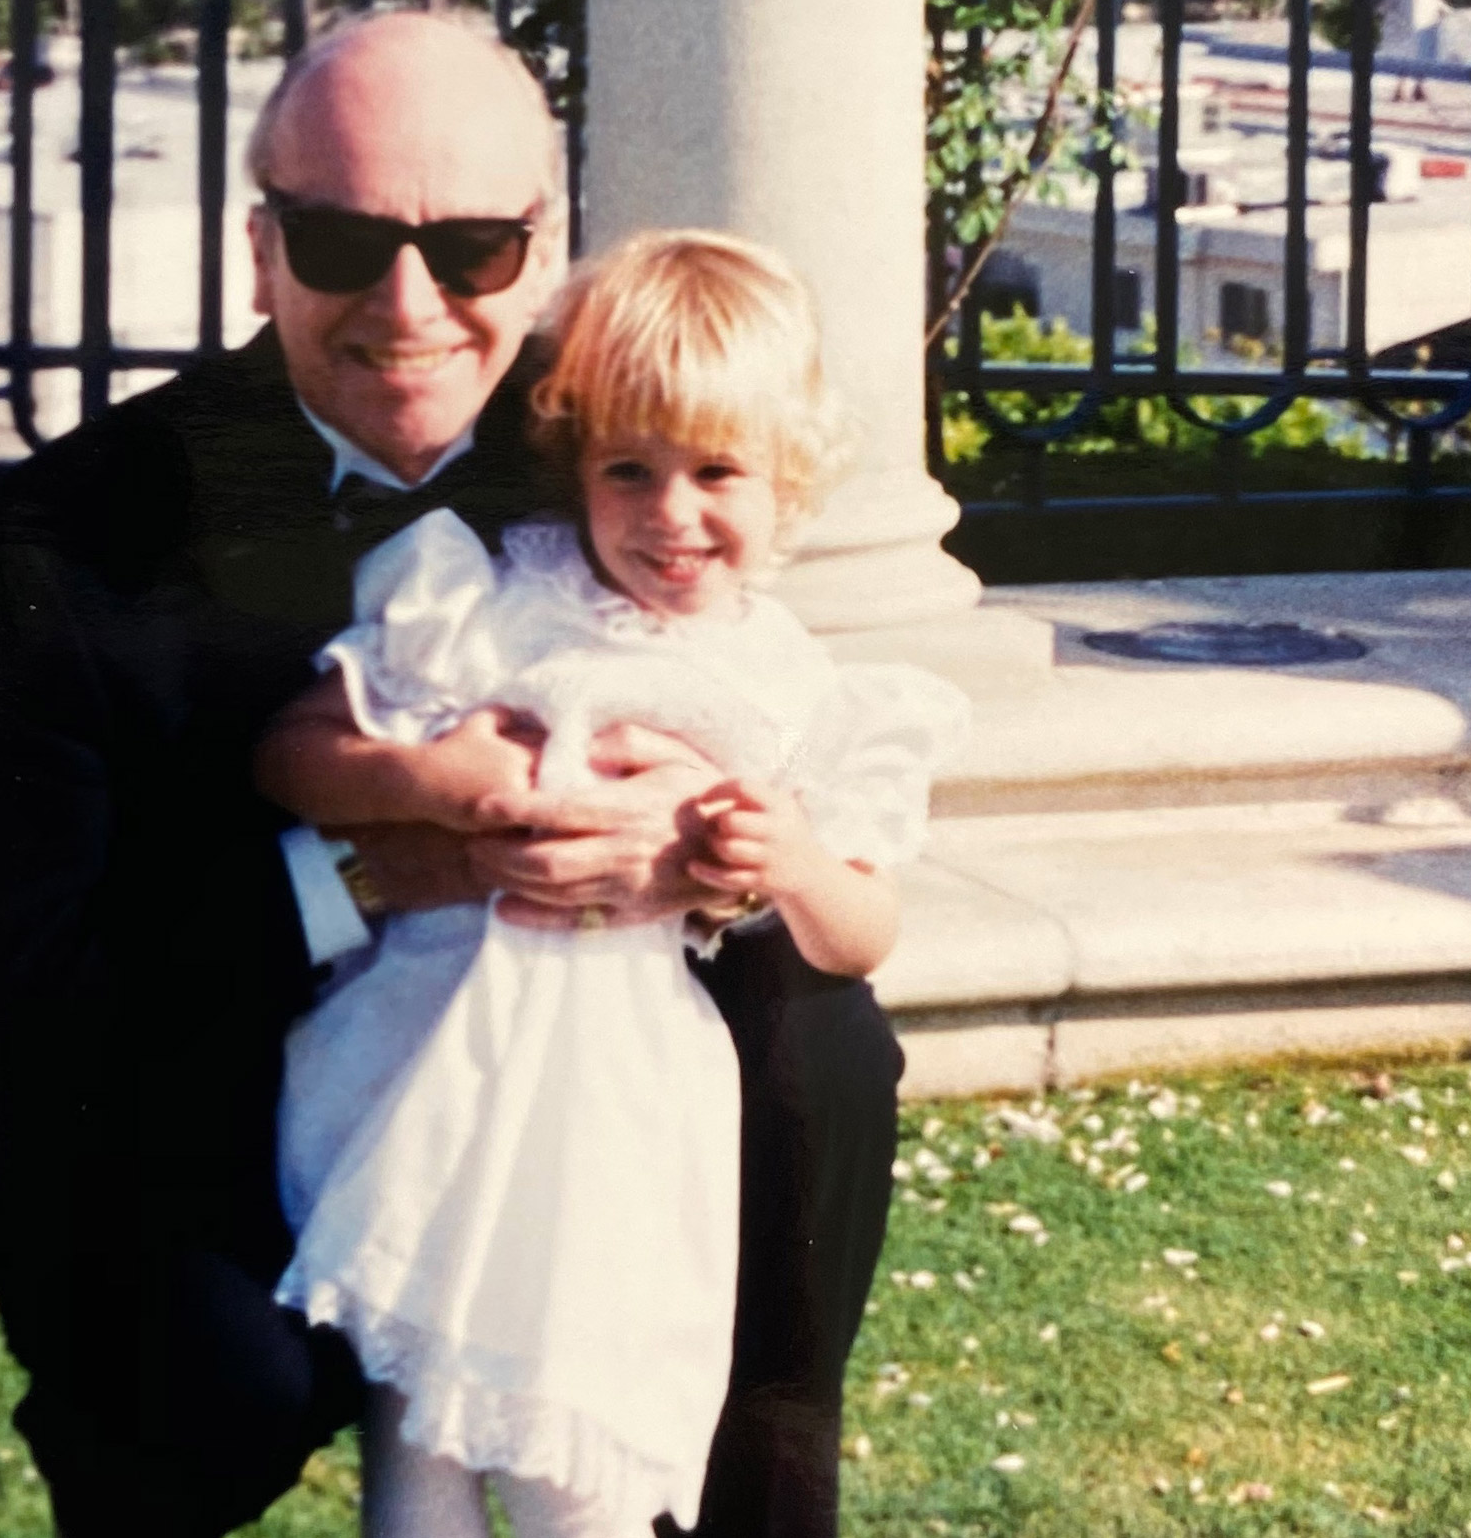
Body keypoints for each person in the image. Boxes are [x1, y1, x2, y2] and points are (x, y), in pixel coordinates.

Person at [0, 9, 909, 1538]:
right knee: (202, 1378)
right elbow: (12, 981)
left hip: (560, 1064)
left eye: (473, 249)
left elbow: (754, 730)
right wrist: (381, 865)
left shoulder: (613, 455)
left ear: (546, 245)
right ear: (261, 248)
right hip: (202, 1084)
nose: (410, 303)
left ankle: (757, 1483)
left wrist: (686, 865)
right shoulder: (66, 541)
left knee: (819, 1054)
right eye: (343, 238)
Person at [259, 231, 968, 1538]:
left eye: (717, 473)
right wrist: (434, 782)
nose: (670, 514)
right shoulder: (497, 605)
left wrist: (793, 864)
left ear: (789, 476)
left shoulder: (789, 682)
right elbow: (296, 753)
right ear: (575, 462)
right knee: (415, 1449)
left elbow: (864, 930)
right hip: (441, 1070)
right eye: (627, 471)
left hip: (620, 1108)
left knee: (580, 1445)